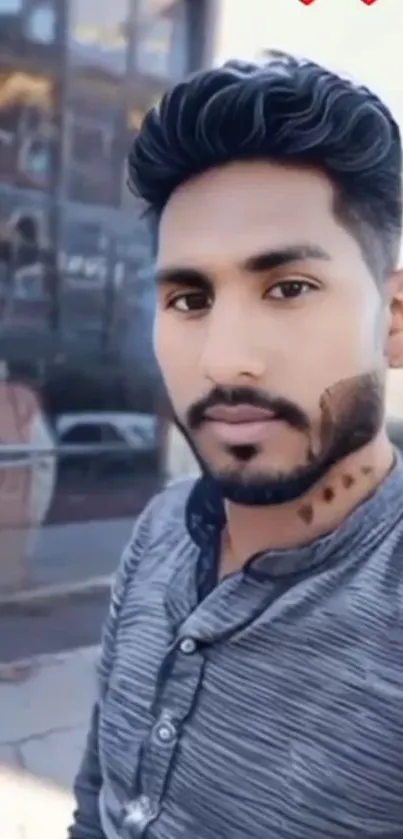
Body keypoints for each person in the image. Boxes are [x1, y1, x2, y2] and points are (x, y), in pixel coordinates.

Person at [68, 53, 403, 839]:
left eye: (287, 287)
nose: (223, 359)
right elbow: (99, 796)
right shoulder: (158, 531)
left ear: (392, 318)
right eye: (188, 298)